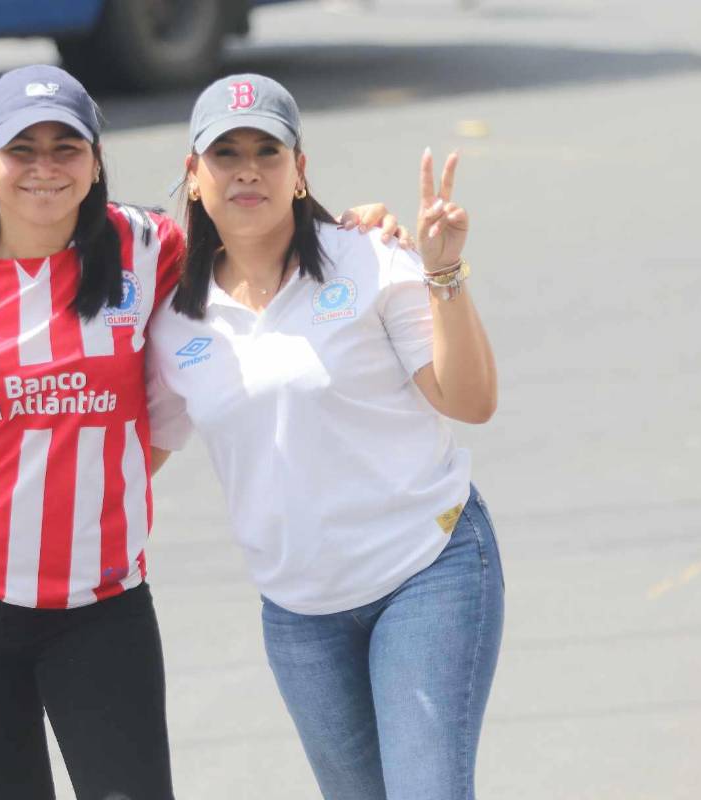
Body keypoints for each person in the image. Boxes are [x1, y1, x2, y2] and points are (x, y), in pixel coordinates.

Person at [0, 65, 403, 800]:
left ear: (96, 161)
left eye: (65, 147)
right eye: (20, 149)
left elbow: (256, 232)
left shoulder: (145, 247)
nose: (44, 168)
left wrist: (356, 228)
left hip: (101, 605)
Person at [146, 74, 503, 800]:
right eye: (225, 153)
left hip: (426, 571)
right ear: (193, 173)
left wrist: (443, 274)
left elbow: (470, 399)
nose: (248, 168)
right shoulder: (175, 323)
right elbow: (134, 457)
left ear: (300, 170)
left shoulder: (369, 260)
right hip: (300, 615)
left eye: (267, 151)